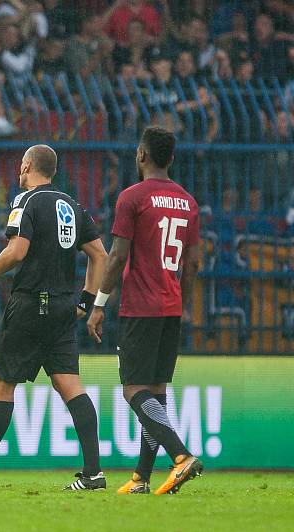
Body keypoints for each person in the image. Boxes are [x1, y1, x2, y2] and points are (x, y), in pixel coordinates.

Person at [0, 145, 108, 490]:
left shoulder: (25, 201)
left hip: (30, 304)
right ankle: (93, 474)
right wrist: (86, 302)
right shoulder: (72, 205)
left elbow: (17, 251)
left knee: (0, 385)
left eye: (20, 166)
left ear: (28, 166)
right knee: (70, 385)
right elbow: (100, 255)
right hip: (61, 307)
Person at [87, 126, 202, 495]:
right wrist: (182, 302)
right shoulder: (188, 201)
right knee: (156, 391)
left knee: (133, 389)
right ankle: (142, 477)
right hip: (171, 307)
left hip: (141, 307)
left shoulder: (132, 198)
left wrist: (99, 305)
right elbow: (193, 264)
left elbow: (118, 254)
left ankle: (181, 456)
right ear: (171, 158)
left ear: (142, 155)